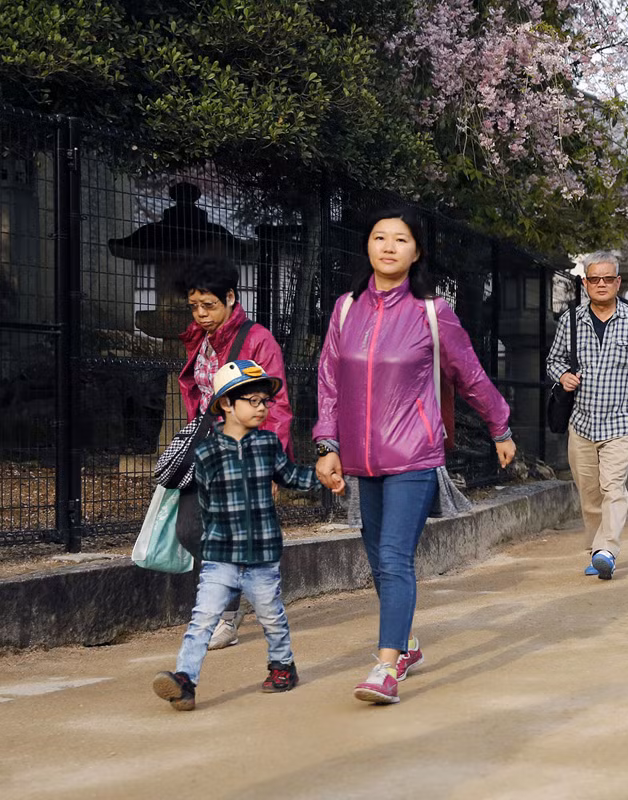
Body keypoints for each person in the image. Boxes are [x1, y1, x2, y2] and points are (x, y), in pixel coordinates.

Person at [313, 208, 516, 705]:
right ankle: (405, 645)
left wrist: (500, 426)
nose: (387, 246)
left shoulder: (432, 312)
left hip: (413, 454)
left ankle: (385, 668)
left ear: (416, 251)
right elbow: (328, 383)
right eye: (379, 237)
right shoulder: (345, 309)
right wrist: (327, 445)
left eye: (399, 240)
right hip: (361, 458)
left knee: (394, 557)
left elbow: (469, 374)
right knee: (378, 561)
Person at [152, 360, 330, 711]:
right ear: (226, 405)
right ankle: (185, 682)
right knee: (202, 619)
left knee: (271, 615)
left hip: (262, 553)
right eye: (253, 400)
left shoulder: (267, 444)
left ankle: (283, 666)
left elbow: (291, 475)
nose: (262, 407)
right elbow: (202, 501)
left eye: (265, 401)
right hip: (219, 556)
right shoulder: (205, 451)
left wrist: (325, 478)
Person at [177, 256, 294, 651]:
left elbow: (276, 404)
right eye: (194, 306)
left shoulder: (257, 338)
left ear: (230, 297)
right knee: (190, 529)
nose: (201, 314)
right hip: (207, 445)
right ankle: (233, 600)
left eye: (208, 305)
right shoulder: (201, 337)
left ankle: (224, 616)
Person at [546, 251, 628, 580]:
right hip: (581, 422)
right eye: (594, 279)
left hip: (622, 422)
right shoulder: (570, 321)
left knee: (613, 487)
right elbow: (552, 361)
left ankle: (607, 550)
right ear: (585, 283)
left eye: (607, 279)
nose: (601, 284)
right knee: (589, 493)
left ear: (618, 282)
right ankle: (595, 550)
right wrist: (563, 376)